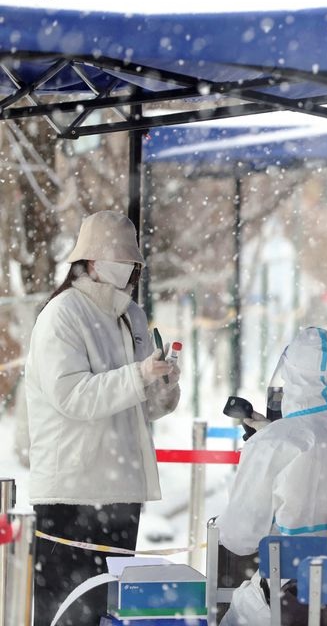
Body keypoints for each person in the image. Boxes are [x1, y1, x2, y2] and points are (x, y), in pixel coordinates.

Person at [25, 210, 180, 626]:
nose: (128, 267)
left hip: (121, 490)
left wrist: (162, 385)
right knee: (65, 614)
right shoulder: (62, 315)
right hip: (71, 493)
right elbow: (72, 396)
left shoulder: (132, 316)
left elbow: (142, 406)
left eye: (132, 259)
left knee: (106, 616)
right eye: (118, 257)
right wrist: (138, 374)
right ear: (89, 261)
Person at [218, 326, 327, 626]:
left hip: (284, 606)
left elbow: (238, 539)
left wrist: (267, 444)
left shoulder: (274, 442)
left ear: (289, 376)